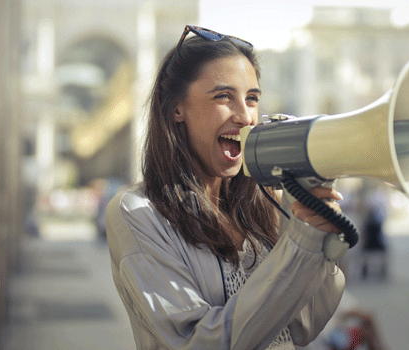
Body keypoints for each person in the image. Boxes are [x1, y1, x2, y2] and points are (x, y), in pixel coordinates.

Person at [104, 25, 346, 349]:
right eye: (223, 96)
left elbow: (304, 324)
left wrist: (318, 239)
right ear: (177, 107)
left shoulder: (268, 202)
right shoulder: (138, 214)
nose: (246, 116)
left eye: (252, 98)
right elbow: (201, 342)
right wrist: (298, 247)